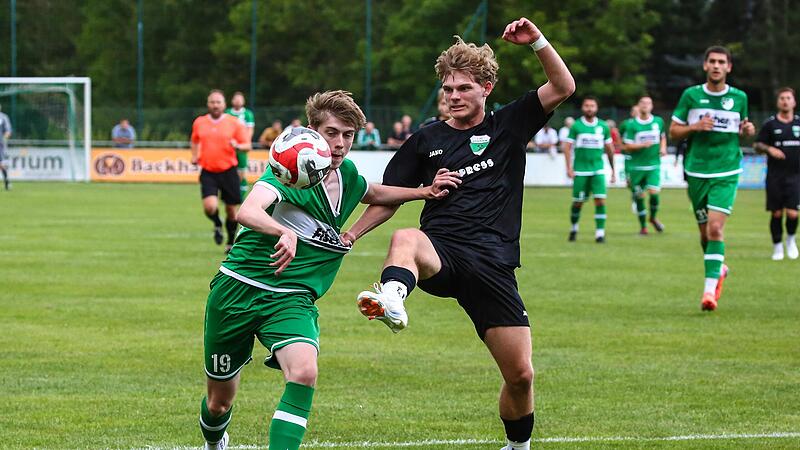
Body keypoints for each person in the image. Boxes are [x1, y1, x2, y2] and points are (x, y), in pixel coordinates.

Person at [342, 18, 575, 450]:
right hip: (442, 251)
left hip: (493, 264)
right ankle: (392, 298)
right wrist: (351, 234)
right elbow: (389, 197)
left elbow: (563, 86)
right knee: (407, 238)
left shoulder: (510, 123)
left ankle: (518, 447)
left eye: (463, 88)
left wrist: (538, 42)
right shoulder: (425, 140)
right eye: (448, 89)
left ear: (486, 88)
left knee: (521, 375)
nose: (453, 96)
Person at [197, 90, 459, 450]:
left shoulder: (347, 175)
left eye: (348, 135)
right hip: (237, 292)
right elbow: (248, 211)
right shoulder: (289, 173)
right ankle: (214, 443)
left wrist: (424, 192)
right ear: (312, 132)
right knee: (219, 402)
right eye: (331, 133)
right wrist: (282, 231)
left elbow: (375, 193)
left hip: (292, 299)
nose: (339, 144)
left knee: (304, 372)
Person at [669, 45, 755, 311]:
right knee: (705, 235)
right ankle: (719, 268)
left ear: (729, 67)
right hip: (697, 170)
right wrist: (694, 127)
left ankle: (708, 293)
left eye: (722, 62)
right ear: (705, 65)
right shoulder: (691, 95)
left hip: (726, 170)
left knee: (716, 229)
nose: (717, 66)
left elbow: (743, 129)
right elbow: (673, 131)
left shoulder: (739, 97)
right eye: (713, 61)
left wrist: (747, 131)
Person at [191, 89, 252, 253]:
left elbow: (247, 145)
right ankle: (217, 223)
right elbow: (194, 140)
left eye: (218, 102)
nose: (215, 105)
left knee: (231, 211)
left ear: (224, 105)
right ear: (208, 104)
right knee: (210, 207)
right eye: (212, 102)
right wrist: (194, 155)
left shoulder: (234, 123)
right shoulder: (199, 122)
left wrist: (238, 146)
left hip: (228, 171)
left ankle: (230, 242)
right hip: (208, 171)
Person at [753, 87, 800, 260]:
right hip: (775, 176)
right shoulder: (770, 124)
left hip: (796, 176)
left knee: (793, 213)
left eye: (788, 98)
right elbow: (757, 145)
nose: (785, 101)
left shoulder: (799, 123)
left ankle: (791, 240)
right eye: (782, 98)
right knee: (777, 213)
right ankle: (777, 246)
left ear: (794, 102)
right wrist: (769, 149)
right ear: (778, 102)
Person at [563, 96, 616, 243]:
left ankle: (600, 234)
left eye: (592, 106)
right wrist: (569, 168)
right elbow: (567, 147)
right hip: (580, 171)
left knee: (600, 201)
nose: (589, 108)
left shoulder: (603, 126)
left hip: (598, 170)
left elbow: (609, 149)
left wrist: (613, 170)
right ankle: (574, 228)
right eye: (587, 106)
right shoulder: (576, 126)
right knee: (578, 202)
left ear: (596, 108)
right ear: (583, 108)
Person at [621, 95, 667, 234]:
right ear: (638, 106)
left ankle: (652, 218)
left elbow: (662, 137)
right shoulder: (631, 125)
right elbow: (626, 146)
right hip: (636, 167)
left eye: (648, 103)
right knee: (639, 197)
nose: (645, 105)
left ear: (652, 106)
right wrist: (641, 145)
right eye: (642, 103)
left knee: (654, 194)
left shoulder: (658, 121)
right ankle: (643, 227)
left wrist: (663, 148)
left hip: (653, 165)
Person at [225, 92, 255, 198]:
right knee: (228, 172)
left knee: (241, 174)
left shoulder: (248, 114)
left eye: (240, 99)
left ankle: (241, 197)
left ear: (243, 101)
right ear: (232, 101)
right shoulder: (227, 113)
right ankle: (230, 195)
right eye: (236, 99)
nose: (238, 101)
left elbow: (250, 130)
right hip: (229, 147)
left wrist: (246, 142)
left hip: (241, 147)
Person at [0, 104, 11, 190]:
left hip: (0, 144)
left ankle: (7, 180)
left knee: (1, 163)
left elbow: (8, 131)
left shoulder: (3, 117)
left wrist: (3, 139)